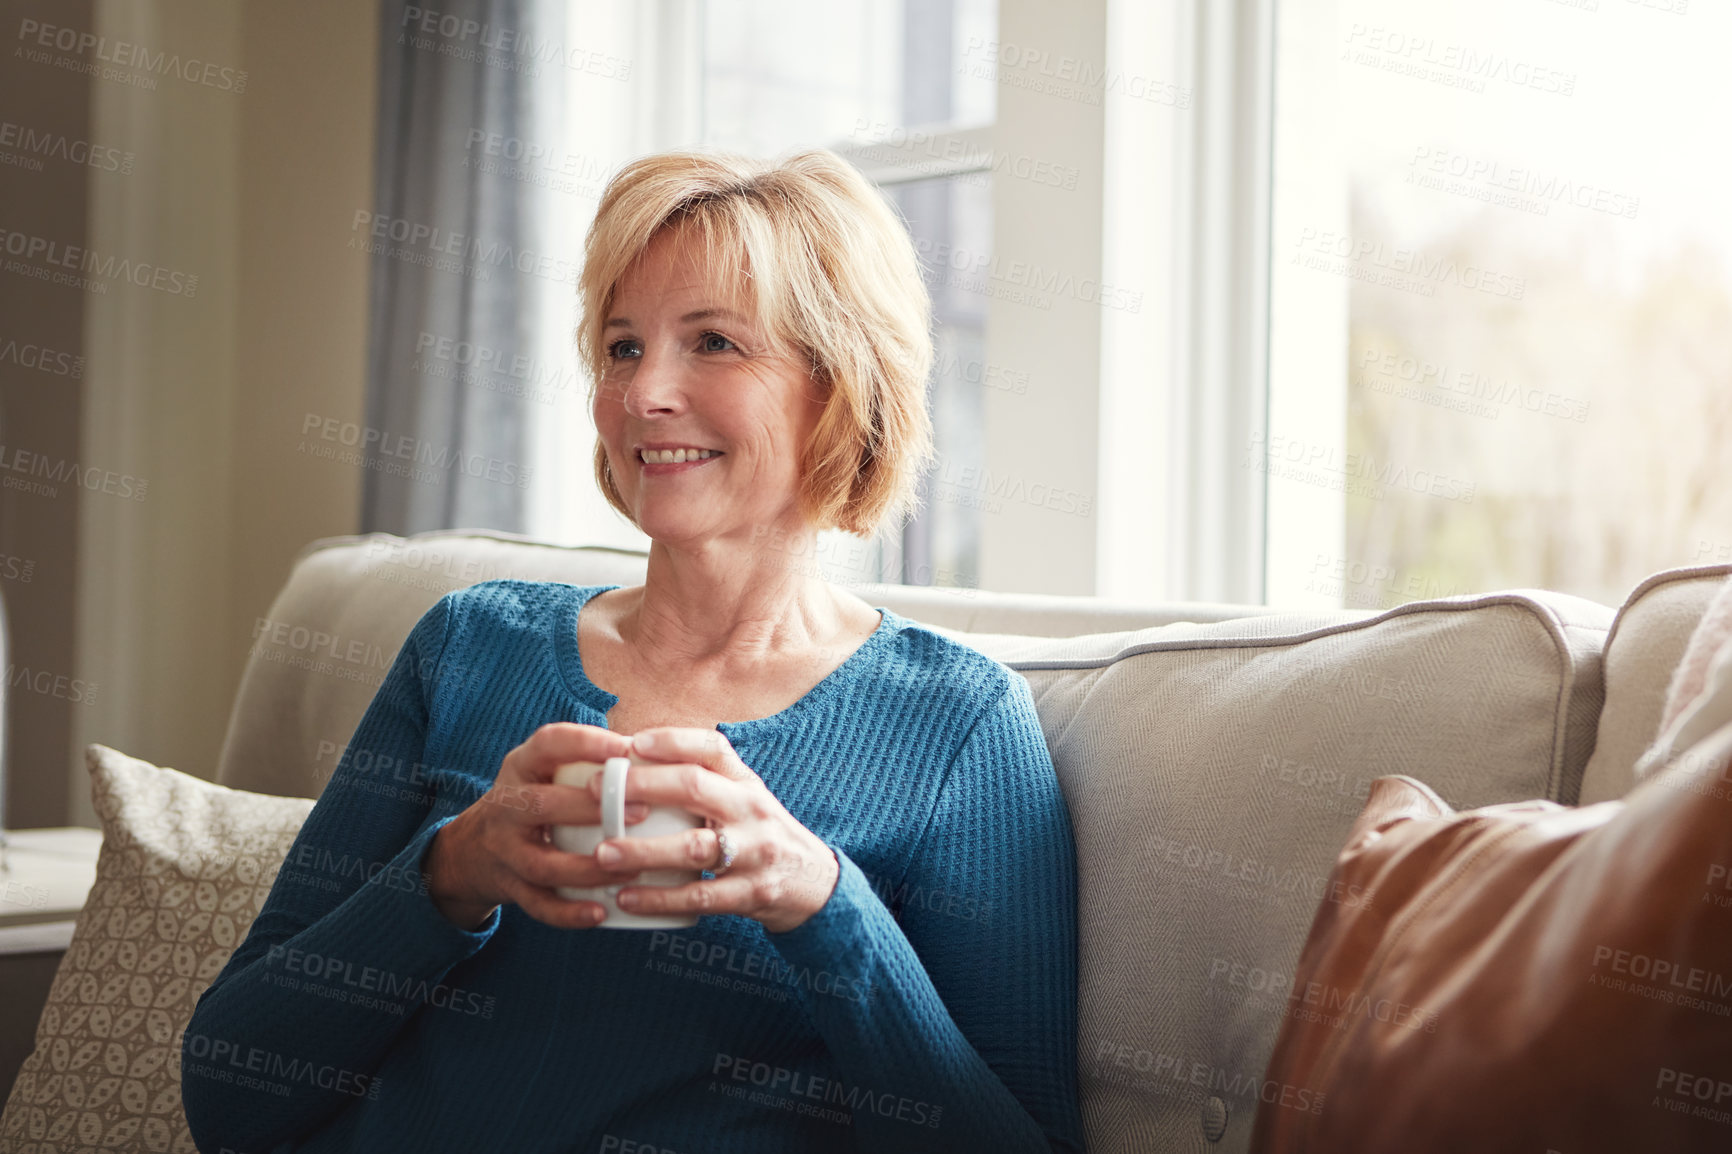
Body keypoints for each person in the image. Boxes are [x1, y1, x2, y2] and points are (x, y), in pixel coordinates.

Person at [182, 148, 1083, 1153]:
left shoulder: (956, 725)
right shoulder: (470, 643)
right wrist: (452, 870)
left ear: (839, 385)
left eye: (712, 342)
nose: (644, 391)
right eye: (621, 347)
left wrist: (819, 901)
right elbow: (230, 1093)